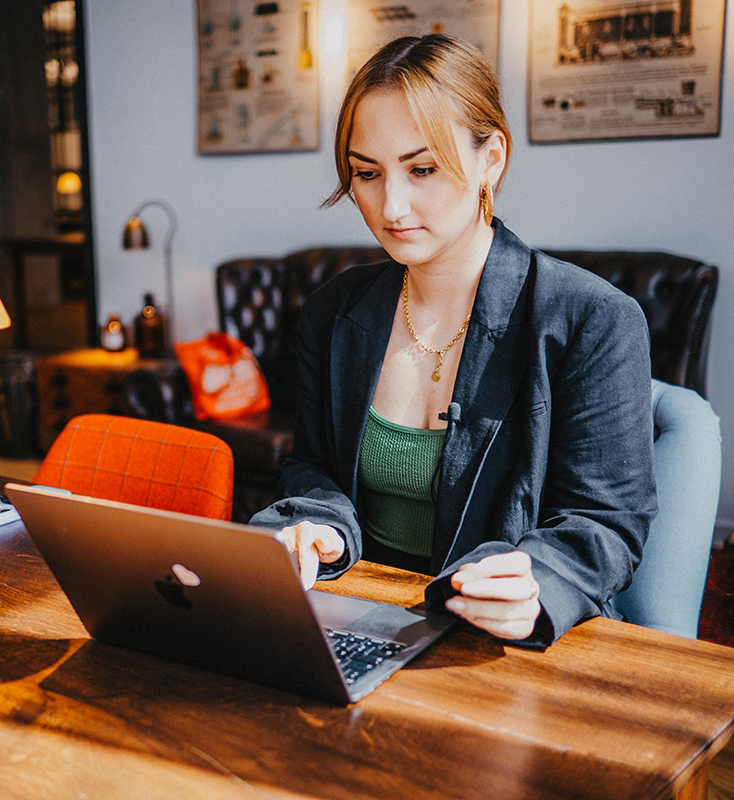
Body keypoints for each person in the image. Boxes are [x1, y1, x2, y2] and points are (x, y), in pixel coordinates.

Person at [249, 34, 657, 647]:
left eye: (423, 168)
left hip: (499, 646)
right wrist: (319, 525)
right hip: (359, 624)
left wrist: (537, 584)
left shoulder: (593, 319)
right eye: (366, 173)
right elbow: (313, 467)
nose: (392, 205)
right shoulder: (335, 311)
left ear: (492, 157)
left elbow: (605, 525)